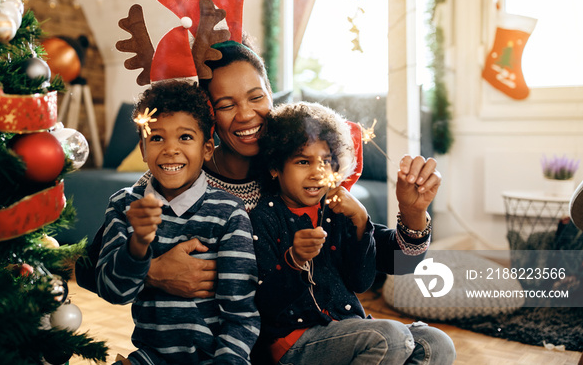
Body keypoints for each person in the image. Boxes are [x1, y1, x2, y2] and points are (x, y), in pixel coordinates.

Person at [145, 41, 437, 295]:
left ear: (272, 94)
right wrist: (151, 272)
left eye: (256, 97)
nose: (246, 114)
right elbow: (98, 266)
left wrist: (413, 213)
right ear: (208, 112)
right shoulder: (177, 177)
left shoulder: (300, 174)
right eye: (225, 105)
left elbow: (400, 262)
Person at [249, 101, 455, 364]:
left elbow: (364, 280)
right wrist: (294, 260)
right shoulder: (263, 218)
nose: (317, 173)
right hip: (293, 347)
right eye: (303, 161)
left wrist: (362, 220)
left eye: (327, 161)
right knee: (390, 337)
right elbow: (265, 305)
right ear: (275, 167)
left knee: (437, 343)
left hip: (347, 333)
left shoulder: (340, 212)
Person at [95, 80, 260, 364]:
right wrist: (137, 247)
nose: (170, 149)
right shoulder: (123, 205)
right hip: (150, 357)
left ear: (207, 148)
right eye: (157, 138)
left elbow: (241, 314)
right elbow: (113, 292)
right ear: (143, 149)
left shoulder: (229, 212)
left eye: (185, 137)